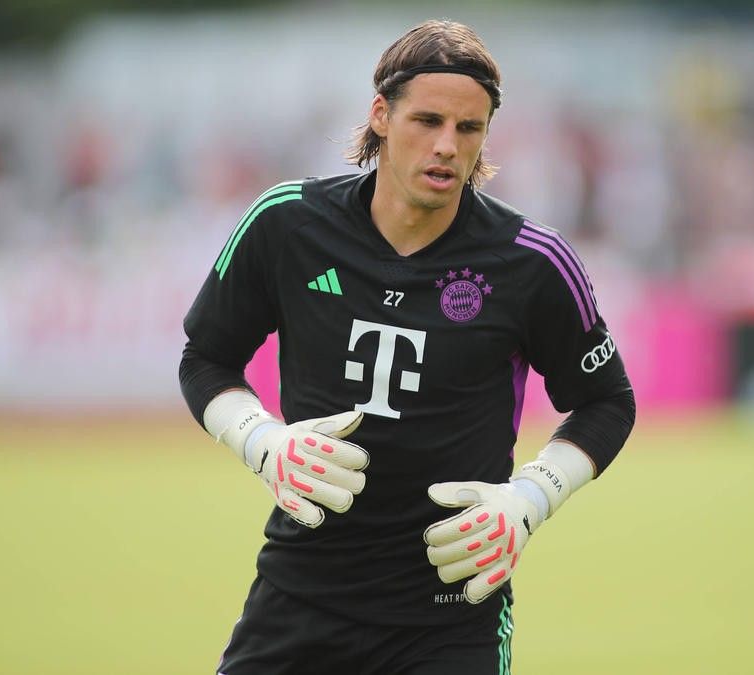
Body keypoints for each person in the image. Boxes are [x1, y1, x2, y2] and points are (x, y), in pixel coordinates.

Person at [179, 19, 635, 675]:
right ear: (381, 116)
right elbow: (205, 357)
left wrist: (528, 499)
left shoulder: (531, 261)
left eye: (469, 128)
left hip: (452, 615)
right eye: (427, 120)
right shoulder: (286, 223)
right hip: (299, 597)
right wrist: (263, 441)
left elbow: (607, 401)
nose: (448, 145)